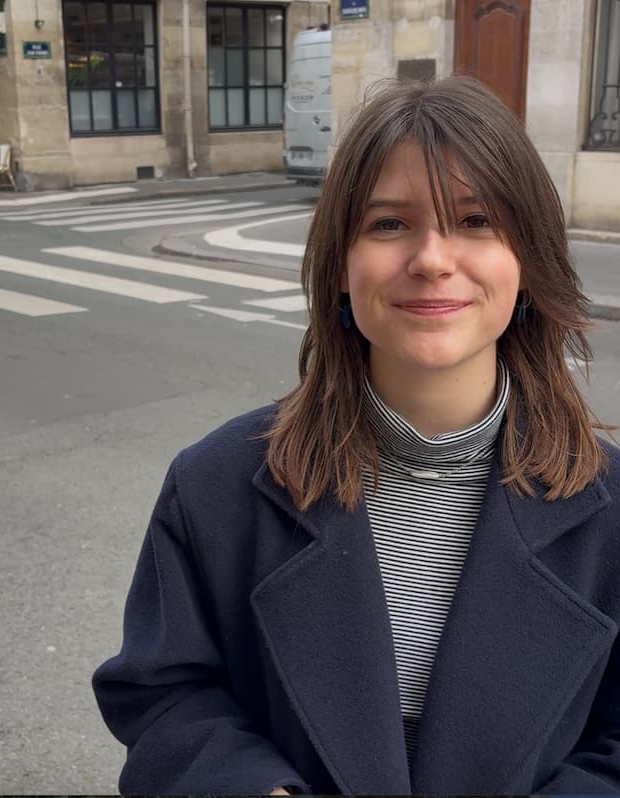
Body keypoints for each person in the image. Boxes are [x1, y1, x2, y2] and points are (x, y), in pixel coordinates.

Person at [92, 76, 620, 794]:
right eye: (389, 224)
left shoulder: (609, 509)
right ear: (340, 265)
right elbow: (162, 695)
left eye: (475, 220)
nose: (432, 259)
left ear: (527, 263)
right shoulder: (214, 487)